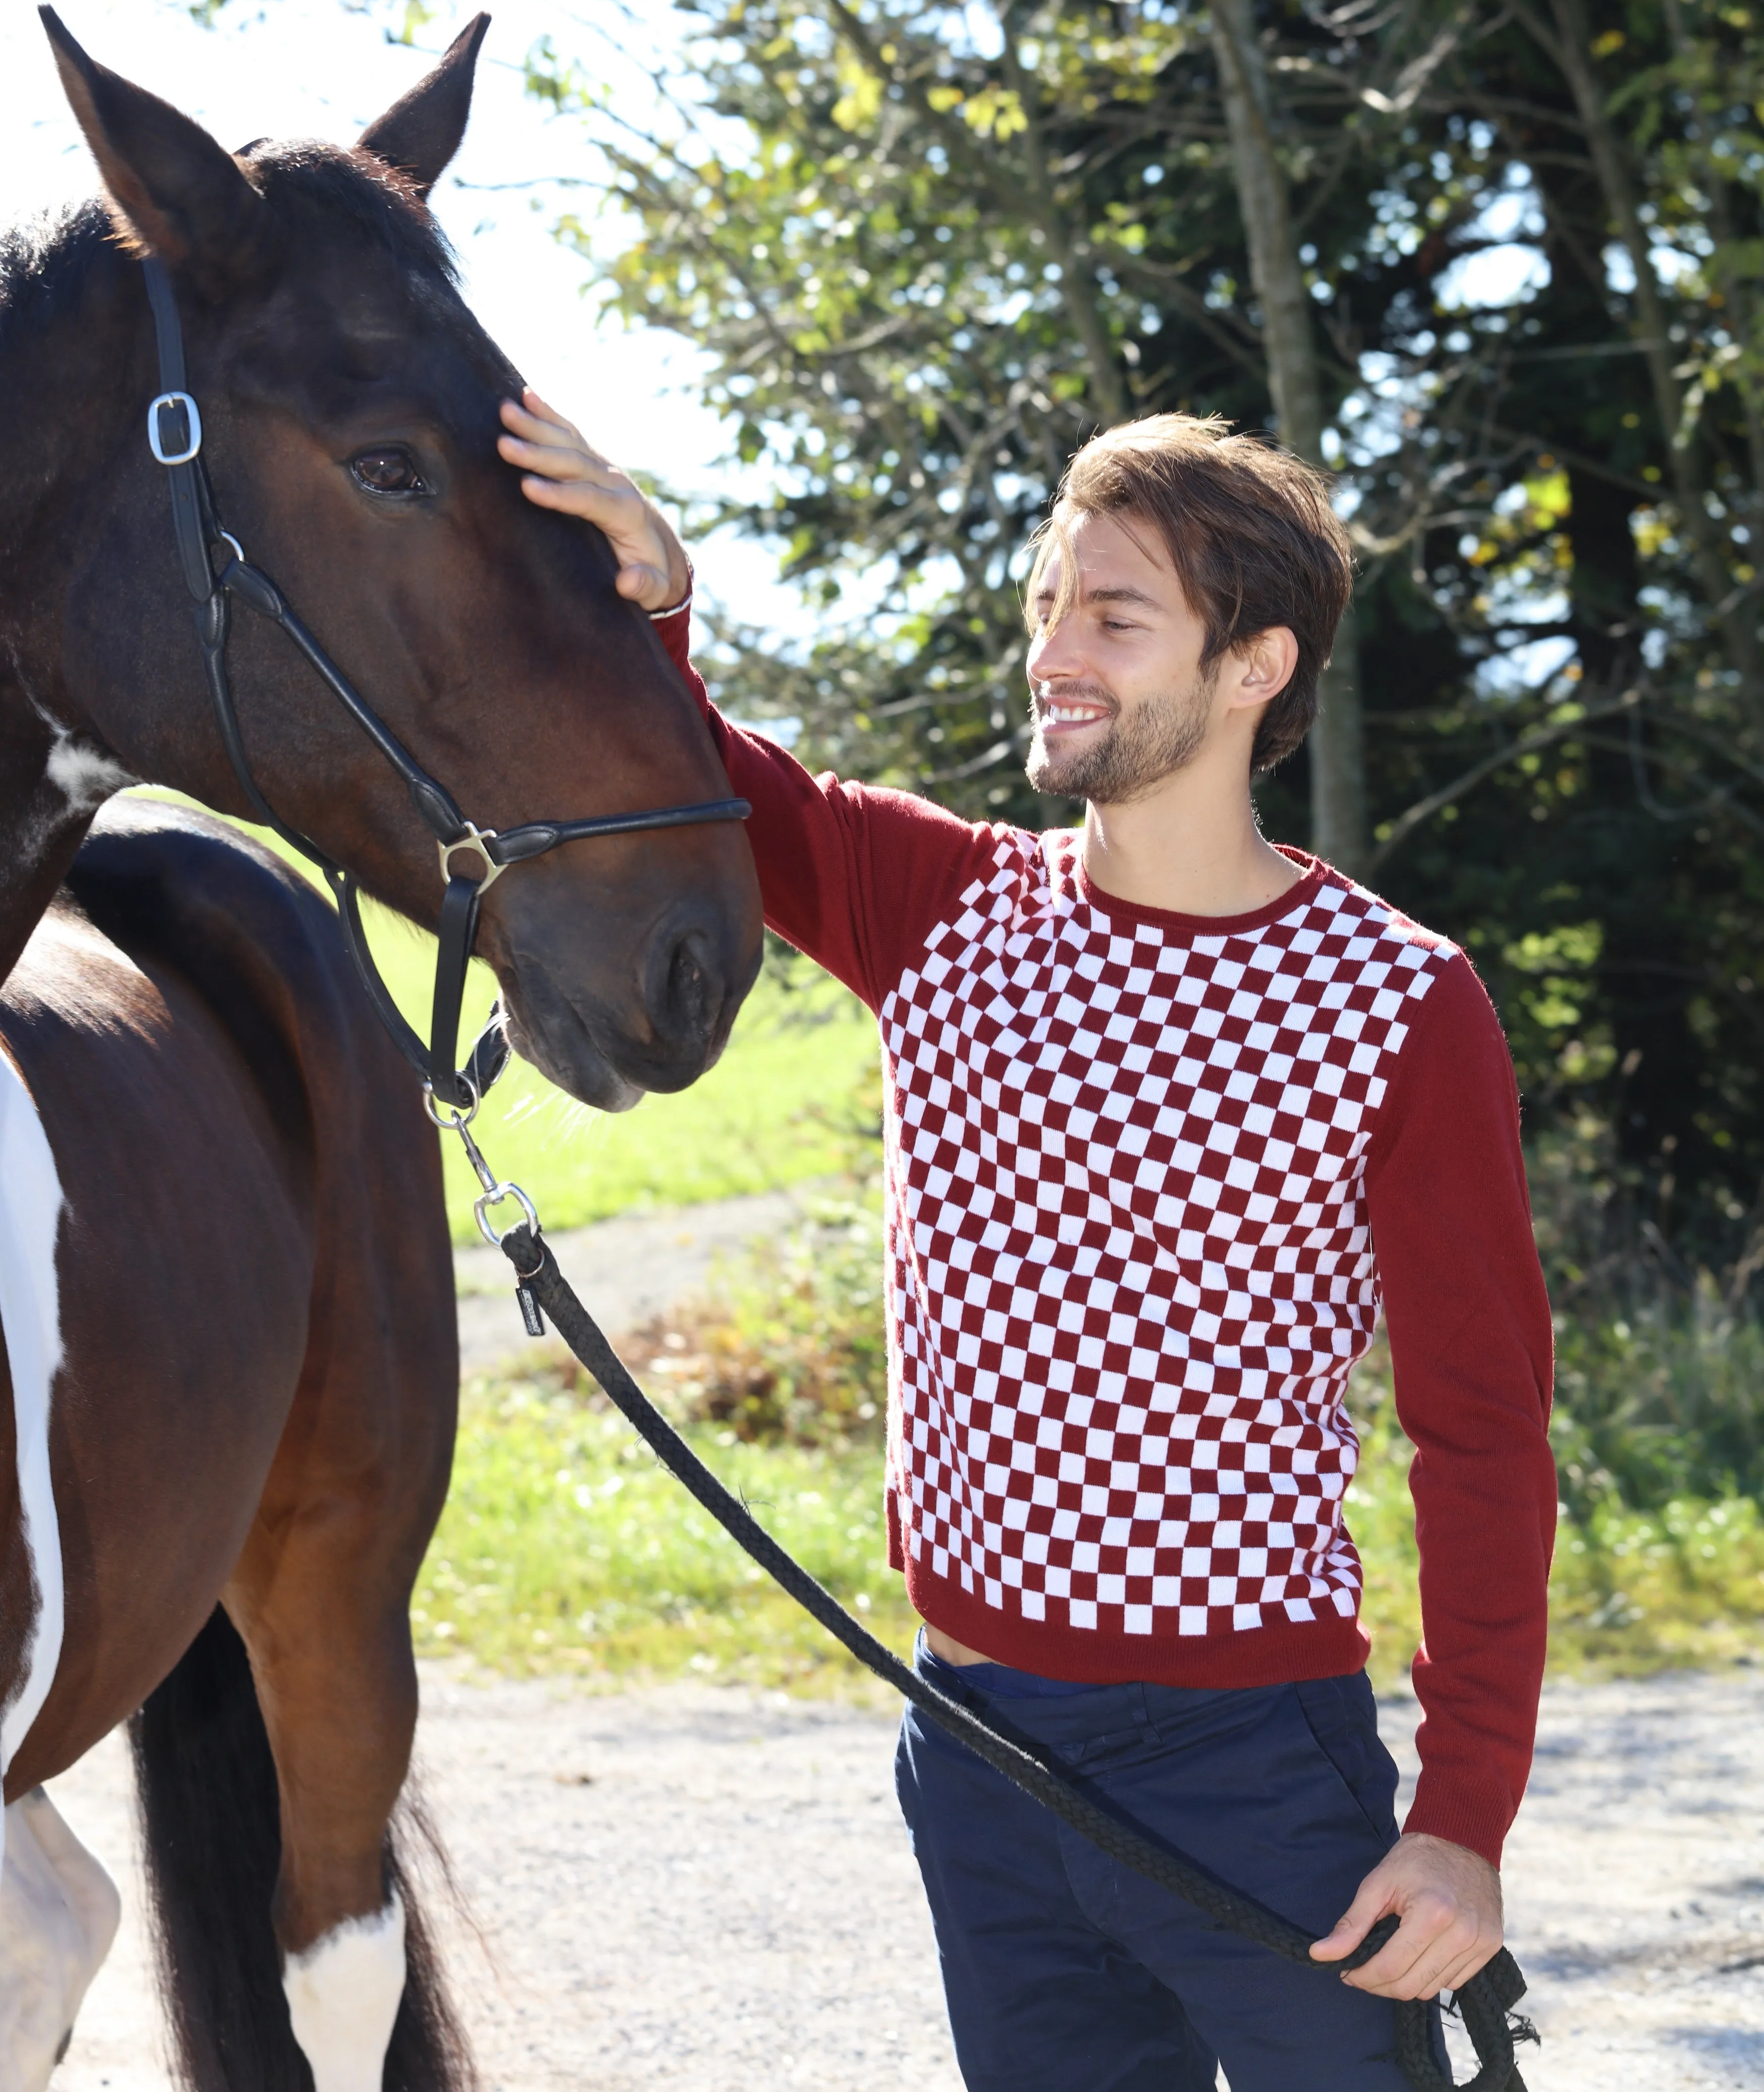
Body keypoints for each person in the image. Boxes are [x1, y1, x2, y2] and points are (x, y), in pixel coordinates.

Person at [498, 392, 1555, 2092]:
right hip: (973, 1745)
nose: (1052, 650)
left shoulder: (1399, 1004)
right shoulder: (934, 904)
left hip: (1250, 1768)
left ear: (1251, 667)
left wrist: (1462, 1822)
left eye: (1112, 614)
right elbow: (688, 771)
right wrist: (655, 601)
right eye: (1043, 605)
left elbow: (1484, 1435)